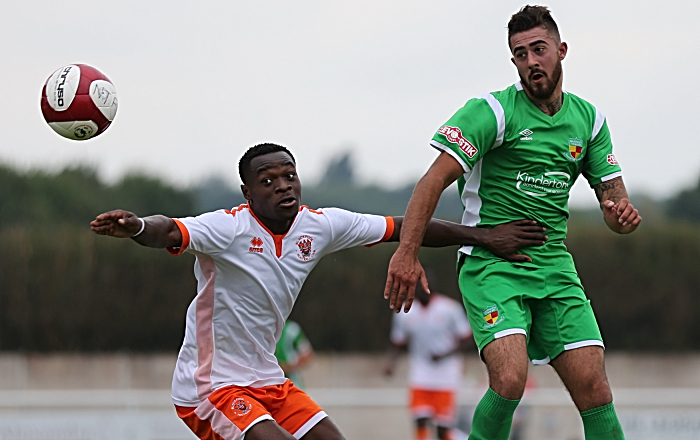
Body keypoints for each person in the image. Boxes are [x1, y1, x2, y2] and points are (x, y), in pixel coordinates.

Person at [90, 142, 547, 440]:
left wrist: (486, 236)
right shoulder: (227, 229)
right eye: (267, 181)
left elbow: (406, 228)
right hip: (211, 386)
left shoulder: (320, 225)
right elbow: (169, 230)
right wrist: (136, 226)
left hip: (268, 380)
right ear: (247, 191)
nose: (282, 185)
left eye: (288, 175)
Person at [384, 6, 641, 440]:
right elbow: (432, 181)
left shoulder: (589, 120)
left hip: (554, 266)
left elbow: (614, 202)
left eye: (539, 50)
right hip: (491, 266)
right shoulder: (492, 112)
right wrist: (406, 253)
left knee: (595, 389)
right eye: (520, 54)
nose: (531, 62)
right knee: (508, 381)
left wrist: (622, 217)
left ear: (561, 50)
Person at [384, 272, 473, 440]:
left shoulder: (449, 308)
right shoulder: (404, 312)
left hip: (447, 374)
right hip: (420, 372)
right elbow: (399, 342)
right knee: (420, 418)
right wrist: (391, 363)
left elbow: (467, 338)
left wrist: (445, 354)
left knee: (442, 428)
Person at [275, 320, 314, 389]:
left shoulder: (291, 329)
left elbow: (307, 354)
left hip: (292, 383)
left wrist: (288, 367)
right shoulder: (262, 328)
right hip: (270, 384)